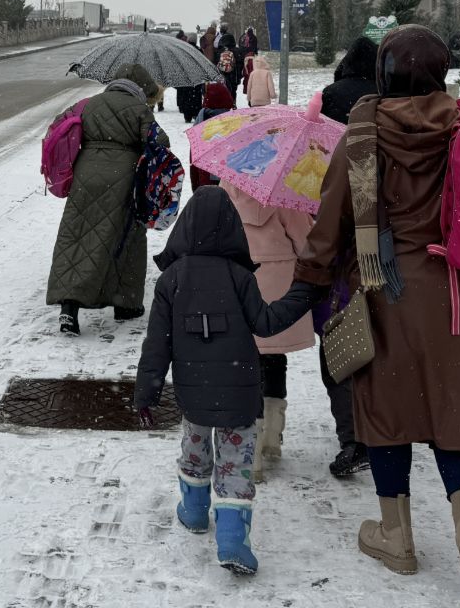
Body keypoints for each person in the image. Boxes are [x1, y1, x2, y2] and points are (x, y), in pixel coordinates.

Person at [293, 25, 460, 597]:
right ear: (442, 72)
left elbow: (331, 218)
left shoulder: (363, 130)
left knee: (389, 412)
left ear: (386, 74)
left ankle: (397, 536)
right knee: (455, 407)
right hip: (459, 289)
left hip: (383, 287)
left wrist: (307, 282)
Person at [134, 185, 325, 576]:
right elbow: (266, 323)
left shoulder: (171, 281)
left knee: (196, 449)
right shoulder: (239, 277)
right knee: (236, 462)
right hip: (240, 392)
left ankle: (192, 511)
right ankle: (233, 539)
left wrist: (146, 395)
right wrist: (303, 293)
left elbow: (157, 345)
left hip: (193, 392)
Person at [47, 64, 168, 335]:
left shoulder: (88, 104)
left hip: (85, 175)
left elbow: (59, 125)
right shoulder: (139, 109)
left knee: (76, 238)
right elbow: (161, 142)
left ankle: (69, 307)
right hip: (123, 178)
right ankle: (125, 304)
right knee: (127, 238)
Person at [222, 168, 314, 484]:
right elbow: (303, 238)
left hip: (239, 278)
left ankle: (253, 450)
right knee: (275, 358)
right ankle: (272, 438)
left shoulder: (228, 179)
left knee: (249, 363)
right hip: (277, 282)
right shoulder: (286, 183)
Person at [315, 35, 380, 477]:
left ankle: (352, 437)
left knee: (338, 336)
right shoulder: (389, 102)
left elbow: (314, 156)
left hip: (340, 229)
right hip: (388, 232)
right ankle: (386, 429)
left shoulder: (331, 99)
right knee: (384, 337)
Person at [189, 82, 236, 190]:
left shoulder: (200, 122)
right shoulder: (234, 121)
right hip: (229, 184)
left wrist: (196, 186)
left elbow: (193, 159)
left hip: (205, 183)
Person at [217, 35, 243, 106]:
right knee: (233, 90)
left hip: (223, 75)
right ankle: (233, 103)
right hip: (235, 76)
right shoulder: (237, 51)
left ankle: (225, 104)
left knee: (224, 90)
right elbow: (241, 63)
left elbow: (217, 63)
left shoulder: (220, 51)